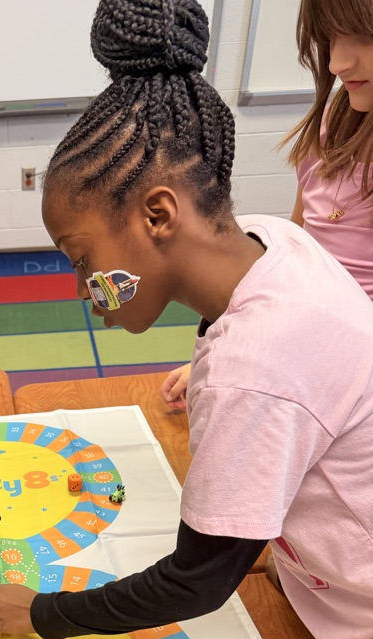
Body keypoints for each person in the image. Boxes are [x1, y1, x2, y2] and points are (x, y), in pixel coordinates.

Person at [0, 0, 373, 639]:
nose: (86, 287)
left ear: (158, 213)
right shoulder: (276, 239)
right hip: (315, 587)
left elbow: (196, 581)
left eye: (82, 260)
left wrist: (40, 613)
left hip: (354, 633)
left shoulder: (257, 365)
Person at [161, 0, 373, 410]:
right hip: (306, 356)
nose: (337, 63)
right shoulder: (332, 124)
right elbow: (294, 261)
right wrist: (226, 358)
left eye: (364, 37)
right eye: (332, 38)